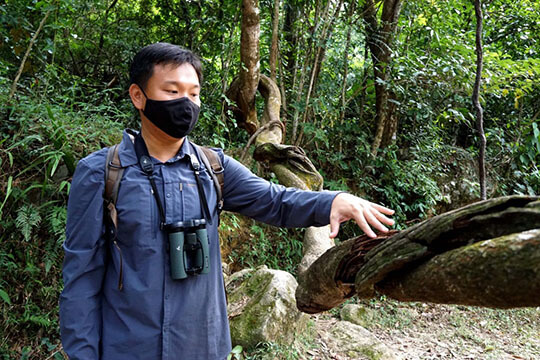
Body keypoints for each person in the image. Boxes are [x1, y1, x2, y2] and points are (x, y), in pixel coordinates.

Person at [59, 42, 395, 360]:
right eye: (172, 92)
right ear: (138, 95)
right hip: (128, 347)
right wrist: (83, 352)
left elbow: (276, 202)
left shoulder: (213, 168)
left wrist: (332, 201)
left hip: (204, 345)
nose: (185, 103)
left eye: (193, 94)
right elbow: (81, 275)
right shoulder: (102, 173)